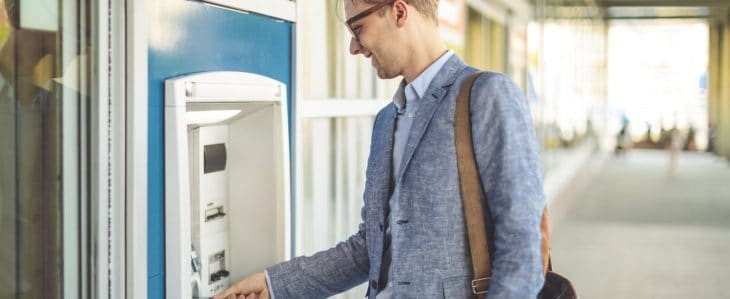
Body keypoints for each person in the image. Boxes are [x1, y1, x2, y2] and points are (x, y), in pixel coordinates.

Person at [216, 0, 545, 298]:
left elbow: (521, 249)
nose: (353, 47)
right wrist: (273, 284)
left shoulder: (487, 95)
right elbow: (369, 249)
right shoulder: (387, 121)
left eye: (357, 28)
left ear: (399, 11)